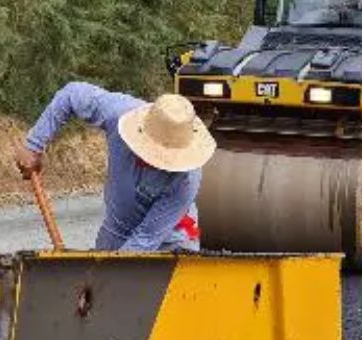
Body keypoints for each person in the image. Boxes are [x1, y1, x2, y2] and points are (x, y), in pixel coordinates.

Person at [15, 84, 215, 252]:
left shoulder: (186, 179)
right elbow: (71, 94)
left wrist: (109, 273)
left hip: (171, 241)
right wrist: (34, 144)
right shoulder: (120, 114)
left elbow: (145, 240)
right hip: (116, 228)